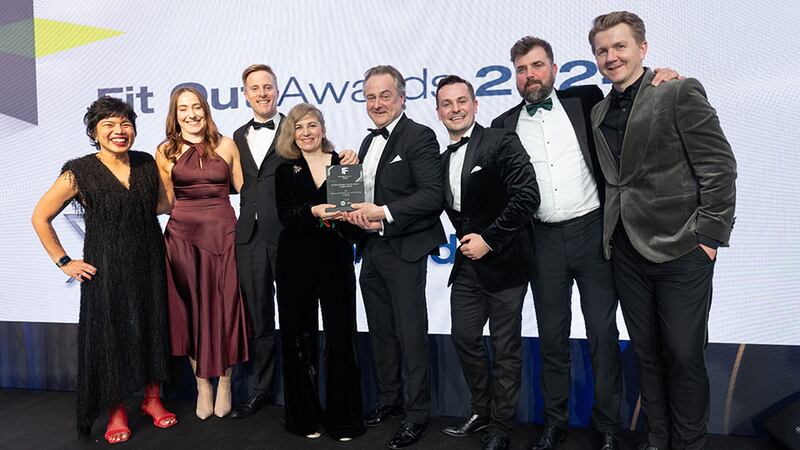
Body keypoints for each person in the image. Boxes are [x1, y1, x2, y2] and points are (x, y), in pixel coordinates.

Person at [490, 37, 681, 450]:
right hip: (541, 239)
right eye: (521, 69)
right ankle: (554, 422)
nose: (530, 75)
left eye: (537, 65)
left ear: (554, 69)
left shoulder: (587, 100)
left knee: (603, 335)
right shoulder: (503, 125)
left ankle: (608, 425)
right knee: (551, 337)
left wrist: (665, 79)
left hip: (593, 234)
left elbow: (631, 92)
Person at [588, 11, 736, 450]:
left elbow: (719, 167)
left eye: (620, 46)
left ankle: (689, 443)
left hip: (682, 248)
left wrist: (708, 238)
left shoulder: (677, 91)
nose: (611, 57)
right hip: (625, 251)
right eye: (602, 50)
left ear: (643, 48)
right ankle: (658, 438)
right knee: (647, 354)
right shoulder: (597, 111)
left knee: (684, 355)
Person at [31, 96, 177, 444]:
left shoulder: (145, 162)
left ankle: (152, 399)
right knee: (111, 337)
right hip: (106, 268)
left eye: (125, 123)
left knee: (153, 326)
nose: (119, 130)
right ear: (95, 132)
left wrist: (168, 173)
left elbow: (163, 206)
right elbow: (40, 217)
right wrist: (64, 261)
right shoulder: (78, 171)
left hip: (149, 261)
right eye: (109, 124)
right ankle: (116, 410)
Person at [231, 65, 358, 418]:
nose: (262, 93)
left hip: (295, 239)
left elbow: (332, 185)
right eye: (254, 88)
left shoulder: (297, 128)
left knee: (314, 324)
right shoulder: (237, 136)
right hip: (252, 236)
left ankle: (324, 403)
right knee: (261, 317)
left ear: (277, 90)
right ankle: (263, 389)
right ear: (245, 94)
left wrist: (347, 162)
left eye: (267, 86)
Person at [434, 75, 539, 450]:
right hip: (467, 266)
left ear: (475, 105)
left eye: (462, 101)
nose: (455, 109)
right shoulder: (441, 160)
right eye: (447, 104)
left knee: (506, 349)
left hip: (506, 263)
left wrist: (489, 240)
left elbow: (528, 196)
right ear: (438, 112)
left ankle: (501, 425)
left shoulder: (500, 141)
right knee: (464, 337)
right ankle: (481, 409)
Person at [344, 65, 446, 449]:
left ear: (402, 98)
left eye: (384, 95)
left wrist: (383, 213)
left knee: (410, 333)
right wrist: (348, 191)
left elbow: (432, 195)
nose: (377, 103)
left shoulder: (419, 136)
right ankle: (389, 399)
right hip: (371, 250)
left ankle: (416, 414)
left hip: (404, 249)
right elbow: (363, 196)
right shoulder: (366, 142)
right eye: (370, 97)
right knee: (381, 332)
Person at [273, 103, 366, 441]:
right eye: (299, 127)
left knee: (341, 336)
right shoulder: (285, 170)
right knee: (298, 337)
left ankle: (344, 420)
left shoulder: (343, 166)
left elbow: (352, 227)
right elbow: (288, 217)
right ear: (292, 134)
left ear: (323, 129)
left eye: (311, 125)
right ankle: (304, 419)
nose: (306, 132)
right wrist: (314, 211)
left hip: (335, 257)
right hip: (294, 259)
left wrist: (352, 216)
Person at [156, 87, 249, 420]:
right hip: (182, 238)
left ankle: (224, 382)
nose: (191, 114)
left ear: (205, 110)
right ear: (175, 114)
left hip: (224, 236)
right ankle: (202, 385)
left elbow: (247, 190)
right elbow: (165, 202)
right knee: (190, 312)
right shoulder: (165, 150)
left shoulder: (227, 145)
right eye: (183, 109)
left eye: (196, 107)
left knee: (226, 311)